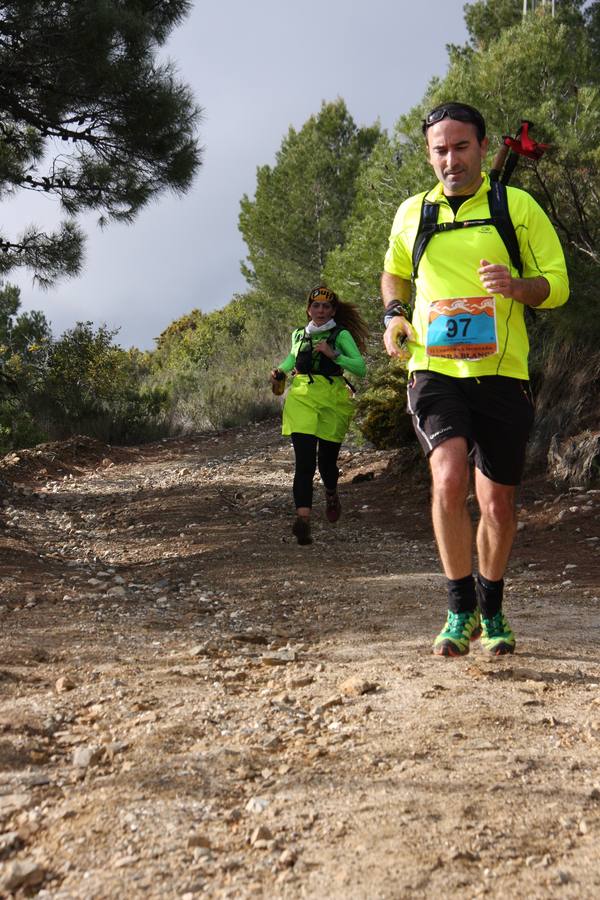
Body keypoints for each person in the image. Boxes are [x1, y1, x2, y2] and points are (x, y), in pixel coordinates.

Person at [381, 101, 569, 656]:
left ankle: (493, 606)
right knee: (446, 476)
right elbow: (393, 270)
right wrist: (394, 316)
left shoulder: (517, 207)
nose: (451, 159)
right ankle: (458, 607)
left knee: (498, 507)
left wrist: (515, 286)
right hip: (434, 370)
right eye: (440, 149)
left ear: (483, 148)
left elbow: (556, 286)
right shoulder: (413, 212)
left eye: (461, 147)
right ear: (428, 153)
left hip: (503, 375)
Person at [271, 285, 368, 545]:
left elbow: (360, 368)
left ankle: (331, 491)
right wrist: (279, 372)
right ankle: (303, 520)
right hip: (302, 398)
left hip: (333, 401)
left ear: (333, 310)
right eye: (316, 306)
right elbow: (291, 360)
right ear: (308, 309)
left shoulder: (341, 335)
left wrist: (333, 354)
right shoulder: (299, 335)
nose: (321, 310)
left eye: (326, 307)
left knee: (326, 463)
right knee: (304, 462)